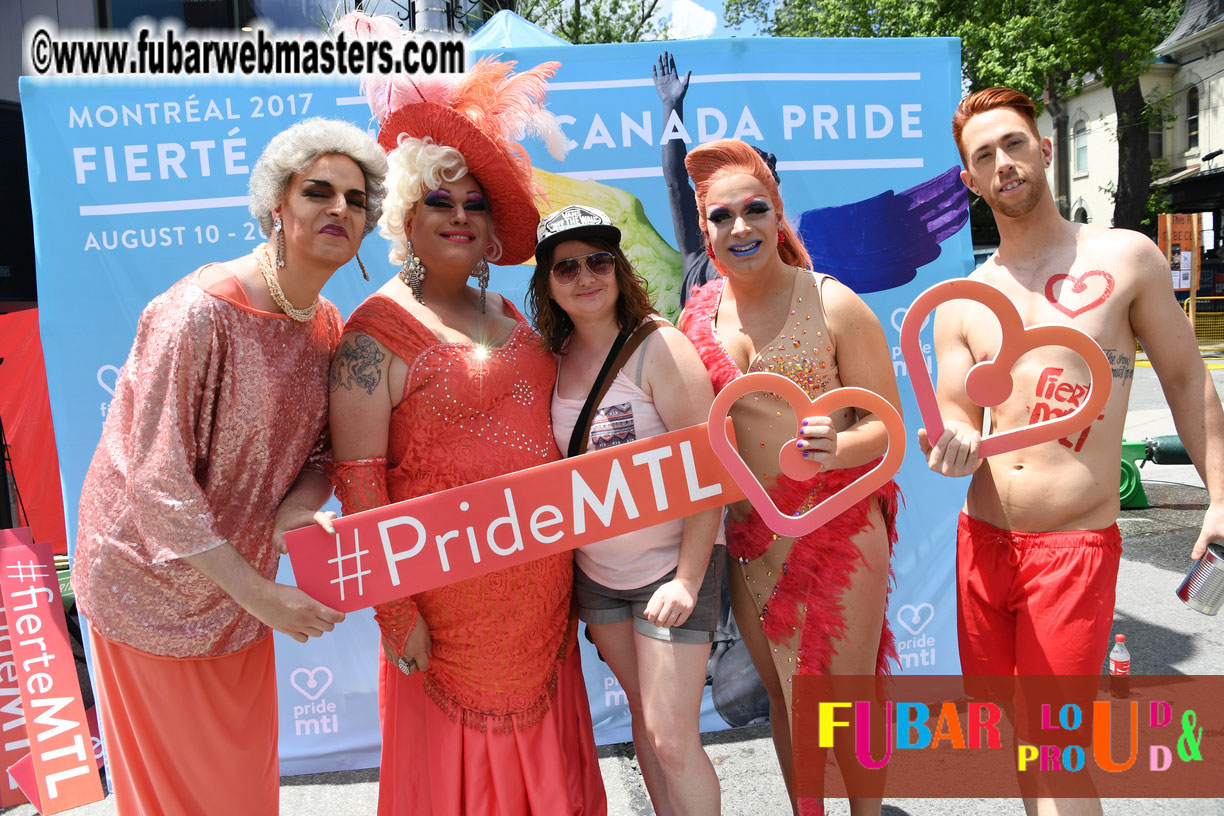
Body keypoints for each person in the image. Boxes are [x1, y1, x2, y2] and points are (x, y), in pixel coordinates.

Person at [923, 87, 1224, 816]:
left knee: (1055, 748)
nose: (1003, 163)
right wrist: (951, 446)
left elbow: (1186, 379)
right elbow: (956, 416)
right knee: (1018, 738)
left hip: (1072, 547)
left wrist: (1221, 494)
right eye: (983, 156)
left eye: (1014, 144)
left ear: (1046, 149)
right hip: (985, 542)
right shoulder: (964, 297)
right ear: (969, 180)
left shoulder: (1126, 257)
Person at [71, 117, 386, 814]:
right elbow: (156, 481)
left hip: (238, 593)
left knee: (241, 791)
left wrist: (299, 509)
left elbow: (320, 451)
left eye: (357, 200)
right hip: (146, 587)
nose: (340, 208)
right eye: (319, 191)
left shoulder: (326, 324)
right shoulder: (197, 314)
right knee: (176, 799)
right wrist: (262, 595)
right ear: (278, 204)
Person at [326, 53, 607, 815]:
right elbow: (359, 486)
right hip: (443, 614)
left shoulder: (516, 316)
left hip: (542, 597)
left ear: (491, 231)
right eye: (440, 200)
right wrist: (396, 613)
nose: (459, 216)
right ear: (406, 217)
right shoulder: (371, 335)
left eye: (475, 205)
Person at [678, 138, 903, 816]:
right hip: (753, 539)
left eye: (755, 210)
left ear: (779, 216)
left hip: (841, 528)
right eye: (723, 217)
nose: (739, 228)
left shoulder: (836, 304)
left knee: (847, 695)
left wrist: (839, 443)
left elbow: (886, 428)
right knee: (784, 694)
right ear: (705, 229)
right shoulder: (694, 318)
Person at [528, 204, 723, 816]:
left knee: (673, 737)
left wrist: (689, 580)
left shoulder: (658, 346)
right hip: (601, 578)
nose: (585, 276)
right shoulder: (551, 361)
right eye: (567, 268)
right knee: (645, 721)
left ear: (619, 268)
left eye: (598, 261)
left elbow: (712, 467)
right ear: (548, 285)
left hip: (672, 570)